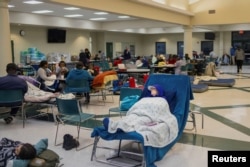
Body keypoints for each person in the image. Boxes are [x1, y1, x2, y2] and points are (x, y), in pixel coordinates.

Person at [102, 84, 178, 148]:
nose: (151, 91)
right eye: (151, 89)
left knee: (138, 121)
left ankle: (118, 127)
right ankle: (115, 125)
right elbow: (139, 104)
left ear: (159, 91)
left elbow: (162, 110)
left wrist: (154, 116)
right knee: (130, 118)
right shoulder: (146, 98)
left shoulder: (162, 100)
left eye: (153, 89)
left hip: (148, 116)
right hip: (137, 112)